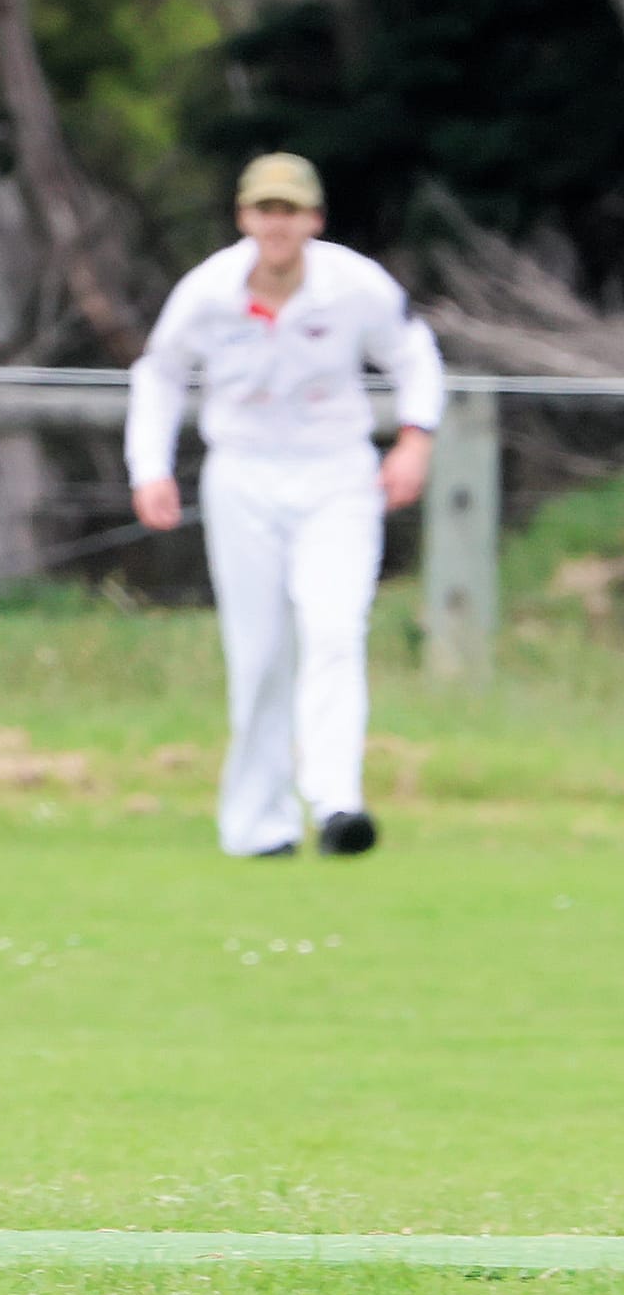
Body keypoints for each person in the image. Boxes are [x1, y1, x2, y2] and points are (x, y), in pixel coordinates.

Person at [124, 152, 442, 859]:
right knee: (262, 652)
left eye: (290, 211)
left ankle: (336, 801)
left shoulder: (354, 285)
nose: (277, 224)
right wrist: (150, 468)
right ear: (245, 218)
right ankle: (259, 825)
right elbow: (160, 374)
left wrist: (415, 440)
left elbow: (414, 354)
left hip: (336, 473)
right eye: (264, 210)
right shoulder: (208, 291)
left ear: (313, 219)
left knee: (334, 628)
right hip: (243, 476)